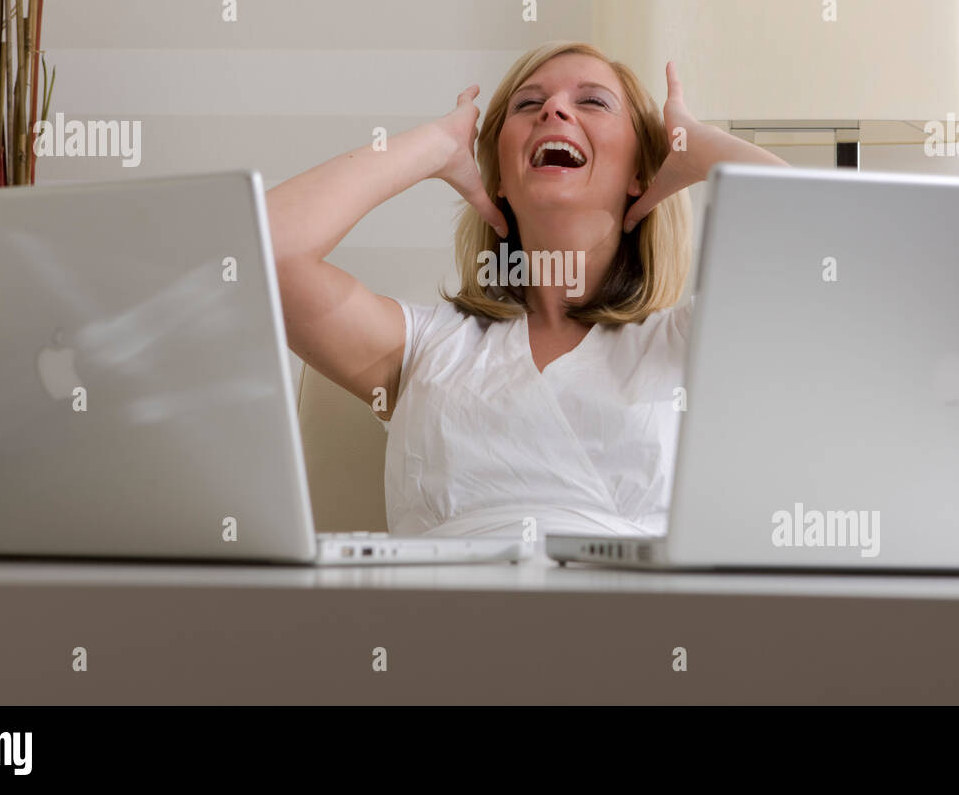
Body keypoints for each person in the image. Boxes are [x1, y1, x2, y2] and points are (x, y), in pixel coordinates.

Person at [266, 40, 788, 539]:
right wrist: (436, 147)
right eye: (528, 103)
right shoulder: (423, 346)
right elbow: (261, 255)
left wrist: (698, 148)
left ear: (639, 172)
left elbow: (833, 260)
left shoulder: (684, 345)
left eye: (593, 102)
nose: (554, 110)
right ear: (497, 176)